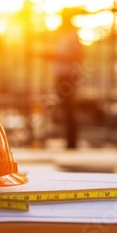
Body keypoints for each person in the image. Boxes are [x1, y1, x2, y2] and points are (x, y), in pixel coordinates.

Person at [41, 11, 85, 149]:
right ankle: (69, 142)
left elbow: (78, 55)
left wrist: (56, 56)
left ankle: (72, 143)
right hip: (61, 76)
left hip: (68, 77)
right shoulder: (63, 36)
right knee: (64, 109)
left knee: (69, 109)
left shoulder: (72, 36)